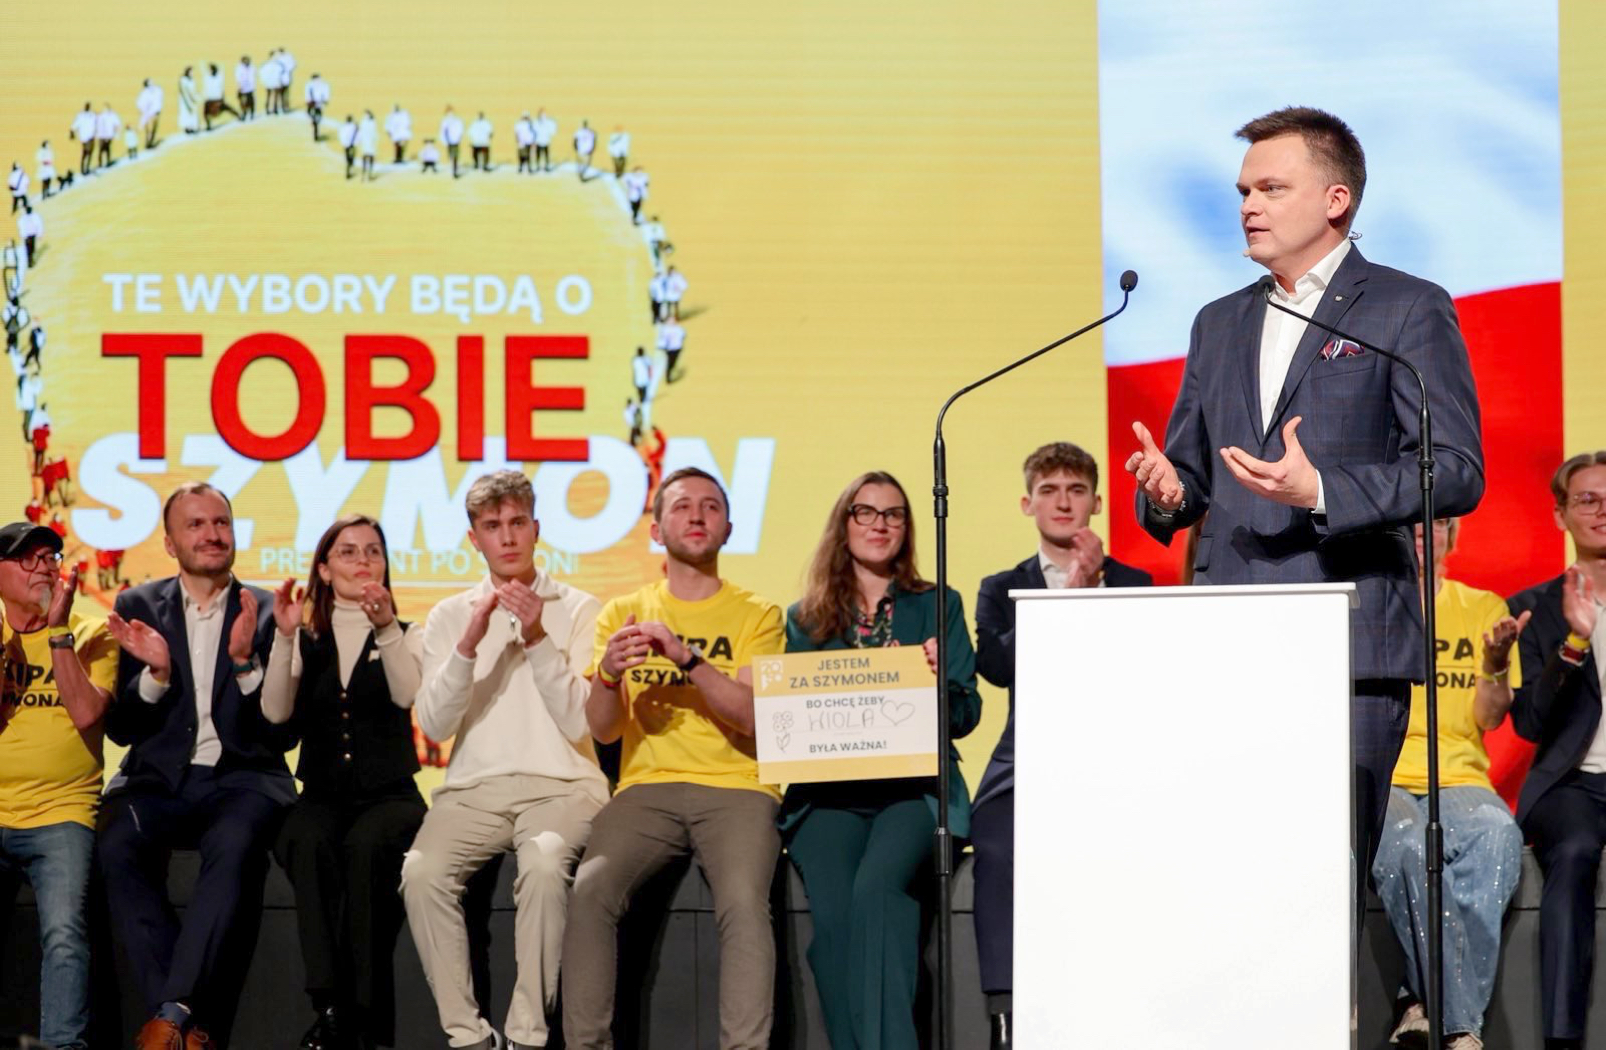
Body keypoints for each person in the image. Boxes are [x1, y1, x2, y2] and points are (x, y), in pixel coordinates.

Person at [1124, 106, 1485, 893]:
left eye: (1271, 188)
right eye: (1243, 191)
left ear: (1335, 199)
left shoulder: (1405, 308)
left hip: (1351, 640)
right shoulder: (1218, 321)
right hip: (1233, 637)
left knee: (1324, 885)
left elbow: (1456, 470)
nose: (1248, 206)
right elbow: (1189, 477)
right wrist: (1168, 488)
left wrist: (1321, 489)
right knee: (1235, 880)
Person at [562, 467, 786, 1050]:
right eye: (682, 506)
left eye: (711, 506)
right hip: (648, 787)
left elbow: (751, 717)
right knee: (590, 889)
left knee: (744, 902)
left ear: (728, 528)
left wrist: (686, 658)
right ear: (657, 529)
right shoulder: (624, 611)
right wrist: (608, 674)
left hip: (738, 786)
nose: (697, 515)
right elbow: (603, 730)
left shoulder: (758, 613)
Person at [402, 470, 608, 1050]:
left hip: (564, 785)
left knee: (543, 864)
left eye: (518, 522)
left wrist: (537, 637)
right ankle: (468, 1037)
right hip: (473, 791)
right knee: (420, 873)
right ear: (475, 539)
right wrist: (468, 644)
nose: (508, 536)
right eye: (493, 526)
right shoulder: (450, 615)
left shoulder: (580, 608)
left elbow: (581, 723)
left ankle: (526, 1036)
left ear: (537, 529)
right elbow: (435, 726)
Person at [782, 471, 981, 1050]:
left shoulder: (938, 604)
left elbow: (966, 713)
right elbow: (794, 715)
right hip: (829, 797)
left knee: (878, 894)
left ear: (907, 527)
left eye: (893, 514)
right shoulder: (805, 616)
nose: (880, 524)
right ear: (844, 524)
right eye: (865, 512)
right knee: (835, 928)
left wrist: (934, 680)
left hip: (912, 791)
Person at [98, 482, 295, 1050]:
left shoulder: (266, 611)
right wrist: (155, 677)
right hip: (158, 780)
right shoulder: (137, 606)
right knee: (114, 845)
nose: (212, 534)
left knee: (235, 844)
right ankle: (185, 1026)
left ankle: (168, 1018)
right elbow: (122, 729)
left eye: (221, 523)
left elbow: (280, 735)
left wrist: (245, 665)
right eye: (197, 525)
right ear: (170, 543)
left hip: (243, 779)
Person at [971, 442, 1151, 1049]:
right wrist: (1070, 595)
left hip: (1113, 760)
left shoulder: (1134, 584)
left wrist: (1095, 588)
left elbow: (1140, 673)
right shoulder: (1001, 587)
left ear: (1097, 503)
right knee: (995, 848)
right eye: (1049, 490)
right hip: (1024, 762)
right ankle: (1005, 1013)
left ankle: (1121, 1010)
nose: (1063, 502)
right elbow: (998, 667)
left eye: (1076, 490)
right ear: (1028, 504)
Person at [263, 516, 426, 1050]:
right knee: (304, 839)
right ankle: (330, 1004)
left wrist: (386, 627)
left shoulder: (408, 633)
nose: (363, 560)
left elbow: (407, 695)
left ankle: (362, 1016)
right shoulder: (305, 638)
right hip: (323, 794)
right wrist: (284, 637)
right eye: (349, 552)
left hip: (391, 796)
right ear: (325, 570)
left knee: (366, 848)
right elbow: (276, 713)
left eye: (374, 551)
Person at [1371, 517, 1526, 1050]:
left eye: (1436, 523)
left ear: (1452, 536)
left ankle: (1419, 1004)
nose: (1423, 532)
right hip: (1386, 774)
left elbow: (1490, 717)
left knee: (1498, 835)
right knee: (1409, 842)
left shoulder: (1484, 608)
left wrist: (1495, 664)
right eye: (1411, 523)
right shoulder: (1369, 604)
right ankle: (1460, 1029)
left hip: (1459, 777)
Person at [0, 522, 117, 1050]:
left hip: (61, 812)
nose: (45, 567)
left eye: (51, 556)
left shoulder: (93, 634)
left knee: (65, 933)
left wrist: (57, 633)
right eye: (29, 557)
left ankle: (63, 1047)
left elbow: (87, 713)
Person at [1509, 451, 1606, 1050]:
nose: (1601, 510)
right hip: (1571, 785)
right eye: (1587, 499)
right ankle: (1563, 1040)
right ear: (1560, 515)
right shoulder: (1534, 606)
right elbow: (1529, 721)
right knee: (1573, 852)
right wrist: (1574, 642)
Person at [202, 65, 235, 131]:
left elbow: (221, 87)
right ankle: (208, 125)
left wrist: (222, 97)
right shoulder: (208, 77)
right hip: (210, 99)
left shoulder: (218, 77)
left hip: (217, 98)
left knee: (227, 107)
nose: (210, 71)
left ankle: (239, 116)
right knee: (206, 112)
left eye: (211, 70)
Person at [69, 104, 96, 175]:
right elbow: (74, 125)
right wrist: (72, 133)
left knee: (88, 153)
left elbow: (96, 123)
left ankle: (85, 168)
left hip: (90, 137)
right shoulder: (82, 115)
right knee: (86, 153)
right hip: (85, 137)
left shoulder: (91, 115)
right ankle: (84, 169)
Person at [657, 317, 686, 383]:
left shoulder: (679, 329)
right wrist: (662, 346)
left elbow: (683, 336)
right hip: (670, 349)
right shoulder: (666, 329)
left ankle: (670, 370)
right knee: (670, 362)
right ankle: (668, 376)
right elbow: (663, 339)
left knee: (673, 361)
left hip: (677, 348)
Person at [137, 79, 164, 149]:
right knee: (150, 130)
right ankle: (148, 144)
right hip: (149, 114)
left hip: (154, 113)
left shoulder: (155, 90)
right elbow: (141, 104)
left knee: (153, 129)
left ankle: (150, 143)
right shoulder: (145, 93)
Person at [440, 106, 465, 178]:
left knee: (455, 156)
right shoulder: (445, 121)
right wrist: (445, 141)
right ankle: (453, 169)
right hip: (449, 141)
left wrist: (459, 138)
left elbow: (460, 129)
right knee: (451, 156)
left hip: (456, 141)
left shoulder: (457, 120)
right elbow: (443, 131)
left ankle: (455, 170)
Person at [305, 73, 330, 141]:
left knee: (314, 116)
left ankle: (315, 124)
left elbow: (308, 93)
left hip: (315, 103)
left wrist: (309, 101)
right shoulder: (322, 84)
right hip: (316, 103)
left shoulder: (310, 84)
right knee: (315, 116)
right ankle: (315, 123)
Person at [260, 51, 285, 116]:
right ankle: (269, 109)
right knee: (269, 96)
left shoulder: (277, 64)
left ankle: (273, 109)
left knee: (274, 96)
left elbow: (280, 74)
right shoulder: (268, 64)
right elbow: (263, 74)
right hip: (271, 82)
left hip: (274, 82)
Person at [177, 68, 200, 136]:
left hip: (191, 100)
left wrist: (195, 97)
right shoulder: (183, 80)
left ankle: (192, 128)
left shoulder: (192, 80)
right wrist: (188, 102)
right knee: (186, 114)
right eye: (191, 72)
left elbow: (193, 90)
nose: (192, 74)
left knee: (193, 114)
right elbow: (183, 91)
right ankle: (187, 128)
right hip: (185, 101)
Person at [18, 203, 42, 268]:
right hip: (27, 236)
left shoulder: (34, 216)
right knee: (28, 249)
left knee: (32, 249)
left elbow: (38, 224)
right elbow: (21, 227)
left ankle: (30, 259)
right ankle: (30, 263)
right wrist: (23, 235)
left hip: (32, 235)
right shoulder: (23, 218)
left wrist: (39, 234)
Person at [358, 110, 379, 181]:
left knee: (366, 156)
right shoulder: (370, 122)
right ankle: (368, 173)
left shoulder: (365, 122)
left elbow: (361, 132)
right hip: (369, 142)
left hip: (367, 142)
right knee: (369, 157)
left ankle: (366, 174)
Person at [337, 115, 359, 180]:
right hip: (352, 145)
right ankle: (349, 171)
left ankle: (348, 171)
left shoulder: (343, 127)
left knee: (348, 159)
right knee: (351, 158)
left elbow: (341, 136)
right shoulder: (354, 126)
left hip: (346, 145)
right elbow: (357, 135)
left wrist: (344, 143)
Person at [234, 55, 256, 121]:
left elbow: (253, 77)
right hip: (242, 87)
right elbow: (238, 78)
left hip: (250, 87)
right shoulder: (239, 68)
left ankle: (252, 113)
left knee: (251, 101)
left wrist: (252, 86)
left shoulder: (252, 67)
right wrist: (239, 86)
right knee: (242, 102)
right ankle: (244, 113)